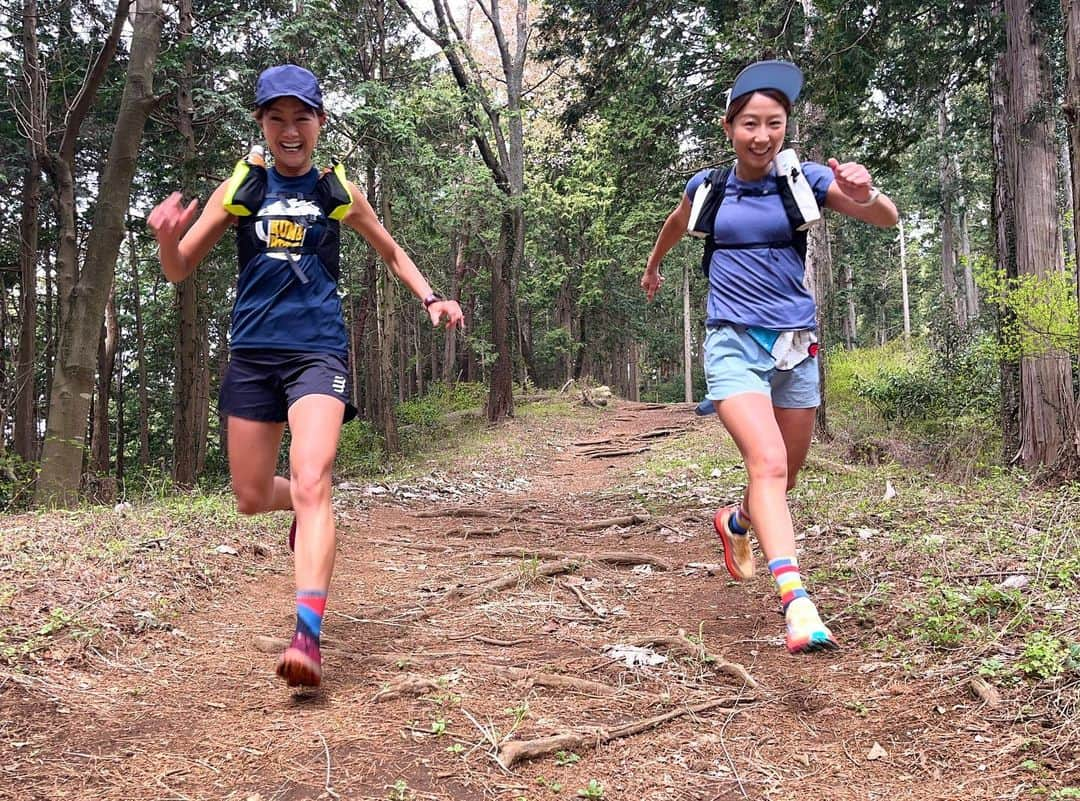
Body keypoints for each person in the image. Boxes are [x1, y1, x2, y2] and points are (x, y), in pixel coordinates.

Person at [148, 65, 464, 687]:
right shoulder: (243, 185)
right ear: (262, 124)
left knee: (314, 475)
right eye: (276, 118)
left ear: (320, 122)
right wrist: (165, 238)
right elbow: (180, 268)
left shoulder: (334, 189)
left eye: (302, 118)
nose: (290, 131)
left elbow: (390, 249)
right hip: (253, 355)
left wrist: (431, 298)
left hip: (318, 352)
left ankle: (308, 635)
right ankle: (304, 506)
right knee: (249, 496)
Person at [641, 60, 897, 654]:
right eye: (750, 123)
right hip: (731, 340)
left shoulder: (801, 181)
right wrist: (654, 265)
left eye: (774, 123)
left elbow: (885, 219)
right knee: (770, 464)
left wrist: (867, 192)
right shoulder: (708, 188)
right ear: (730, 126)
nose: (762, 135)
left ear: (785, 128)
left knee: (785, 475)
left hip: (795, 346)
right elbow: (675, 225)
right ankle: (798, 605)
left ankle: (735, 522)